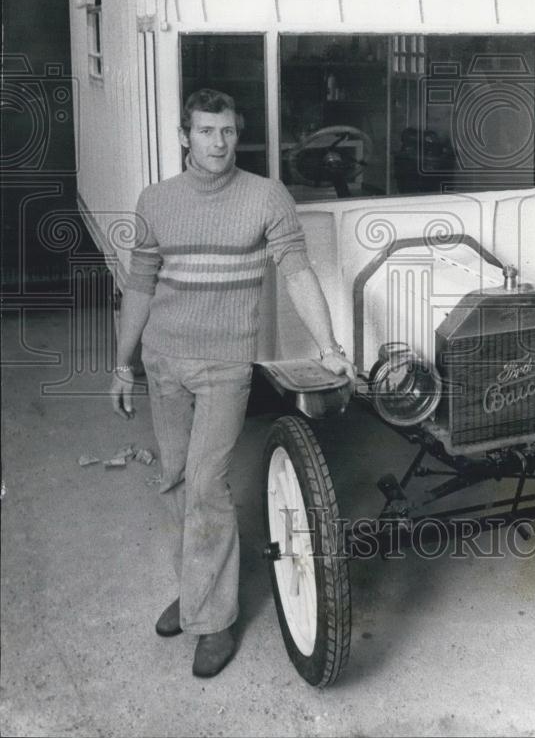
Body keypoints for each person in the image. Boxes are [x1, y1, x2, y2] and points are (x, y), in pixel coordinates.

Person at [109, 88, 356, 678]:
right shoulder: (156, 200)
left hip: (225, 365)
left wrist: (328, 347)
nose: (217, 143)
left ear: (236, 134)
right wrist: (123, 364)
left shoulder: (266, 196)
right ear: (184, 136)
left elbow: (296, 273)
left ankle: (215, 621)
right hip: (165, 361)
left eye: (226, 131)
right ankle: (197, 593)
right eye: (204, 131)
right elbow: (141, 285)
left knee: (207, 485)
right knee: (174, 479)